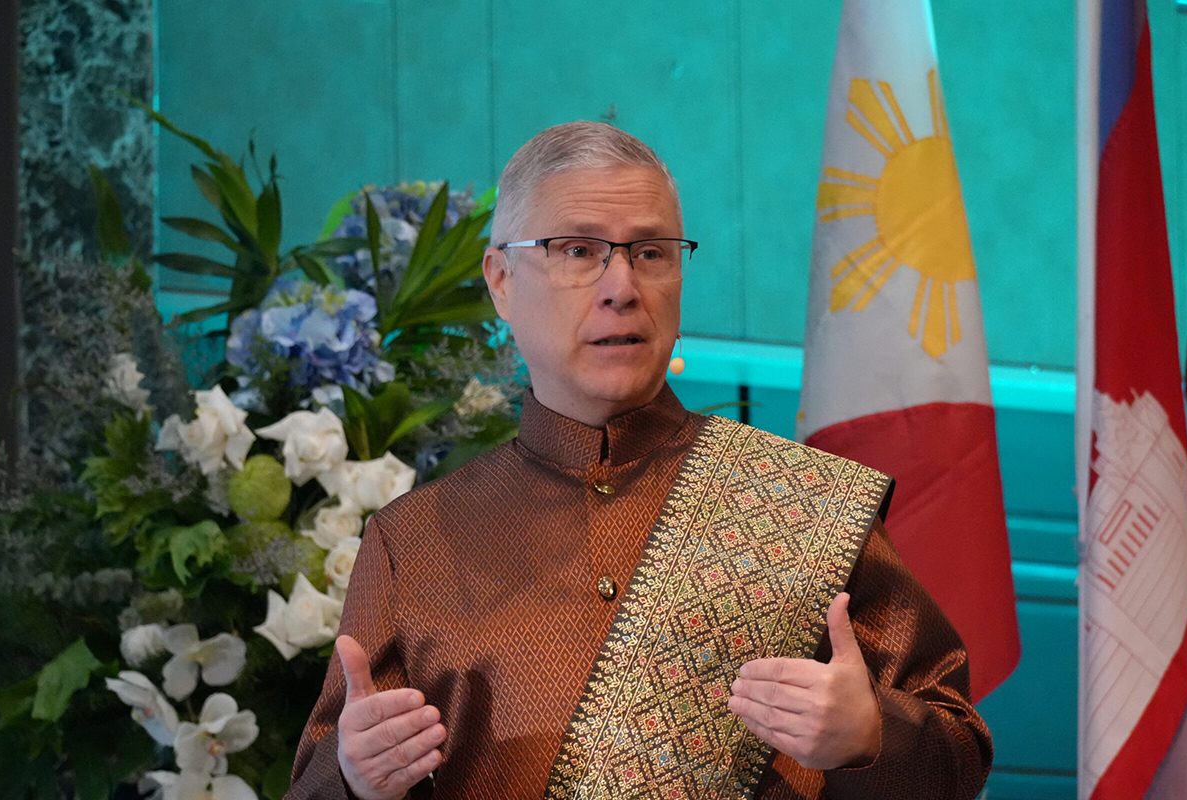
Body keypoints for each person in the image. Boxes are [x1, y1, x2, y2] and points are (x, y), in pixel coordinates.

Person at [287, 122, 992, 800]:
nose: (622, 286)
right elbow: (321, 783)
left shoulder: (807, 503)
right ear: (501, 280)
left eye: (651, 252)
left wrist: (870, 737)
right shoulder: (412, 544)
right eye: (577, 250)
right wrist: (356, 782)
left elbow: (960, 761)